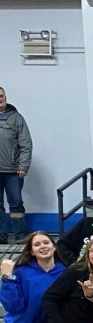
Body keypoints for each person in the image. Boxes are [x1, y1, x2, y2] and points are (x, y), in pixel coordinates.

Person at [0, 86, 32, 242]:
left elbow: (26, 144)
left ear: (5, 97)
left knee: (16, 204)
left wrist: (23, 165)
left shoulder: (16, 118)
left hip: (13, 171)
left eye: (1, 96)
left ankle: (21, 237)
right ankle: (1, 237)